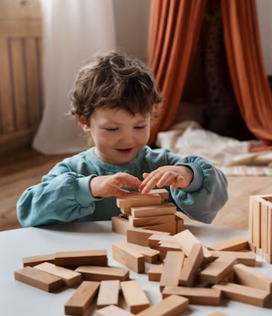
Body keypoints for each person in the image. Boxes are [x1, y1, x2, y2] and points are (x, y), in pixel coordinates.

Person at [17, 50, 228, 227]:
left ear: (152, 115)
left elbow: (216, 194)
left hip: (151, 264)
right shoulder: (73, 170)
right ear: (84, 121)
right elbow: (28, 211)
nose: (127, 140)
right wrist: (87, 188)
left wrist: (190, 175)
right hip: (92, 264)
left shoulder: (163, 165)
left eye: (139, 126)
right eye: (112, 129)